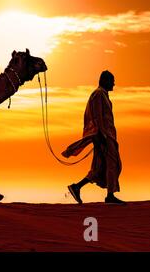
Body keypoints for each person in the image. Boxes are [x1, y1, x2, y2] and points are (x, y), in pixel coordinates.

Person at [62, 71, 125, 204]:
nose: (114, 83)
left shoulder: (103, 95)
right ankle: (110, 196)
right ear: (105, 81)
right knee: (112, 164)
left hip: (107, 136)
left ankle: (76, 187)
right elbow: (96, 117)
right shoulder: (98, 94)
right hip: (104, 136)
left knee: (99, 167)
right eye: (111, 80)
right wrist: (102, 134)